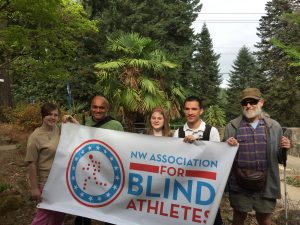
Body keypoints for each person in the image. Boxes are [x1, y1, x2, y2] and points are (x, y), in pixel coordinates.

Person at [224, 87, 291, 225]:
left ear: (261, 102)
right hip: (239, 183)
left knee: (265, 219)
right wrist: (227, 146)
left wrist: (285, 148)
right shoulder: (232, 127)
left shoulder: (274, 126)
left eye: (252, 101)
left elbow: (279, 158)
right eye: (245, 102)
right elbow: (224, 158)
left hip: (266, 184)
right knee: (238, 216)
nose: (248, 105)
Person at [64, 95, 123, 225]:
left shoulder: (116, 125)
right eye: (95, 107)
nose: (98, 110)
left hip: (108, 175)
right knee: (83, 210)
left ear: (107, 109)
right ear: (91, 108)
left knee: (110, 209)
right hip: (87, 173)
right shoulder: (85, 122)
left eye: (101, 108)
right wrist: (68, 124)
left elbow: (122, 150)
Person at [173, 96, 223, 225]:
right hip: (184, 187)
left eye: (194, 109)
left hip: (205, 187)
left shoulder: (211, 131)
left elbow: (217, 159)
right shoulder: (178, 133)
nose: (190, 112)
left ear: (201, 111)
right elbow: (174, 159)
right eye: (187, 109)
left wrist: (198, 145)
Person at [25, 102, 65, 225]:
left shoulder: (59, 129)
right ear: (42, 116)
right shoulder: (35, 137)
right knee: (43, 216)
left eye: (56, 115)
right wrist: (34, 188)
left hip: (61, 180)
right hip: (46, 181)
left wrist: (70, 118)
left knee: (59, 214)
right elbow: (32, 164)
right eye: (49, 114)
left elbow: (80, 131)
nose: (53, 117)